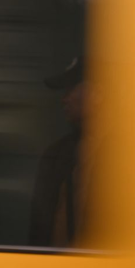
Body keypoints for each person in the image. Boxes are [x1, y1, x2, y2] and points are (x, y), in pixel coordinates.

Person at [29, 57, 88, 247]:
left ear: (98, 93)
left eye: (71, 89)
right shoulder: (57, 155)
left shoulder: (127, 158)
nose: (64, 98)